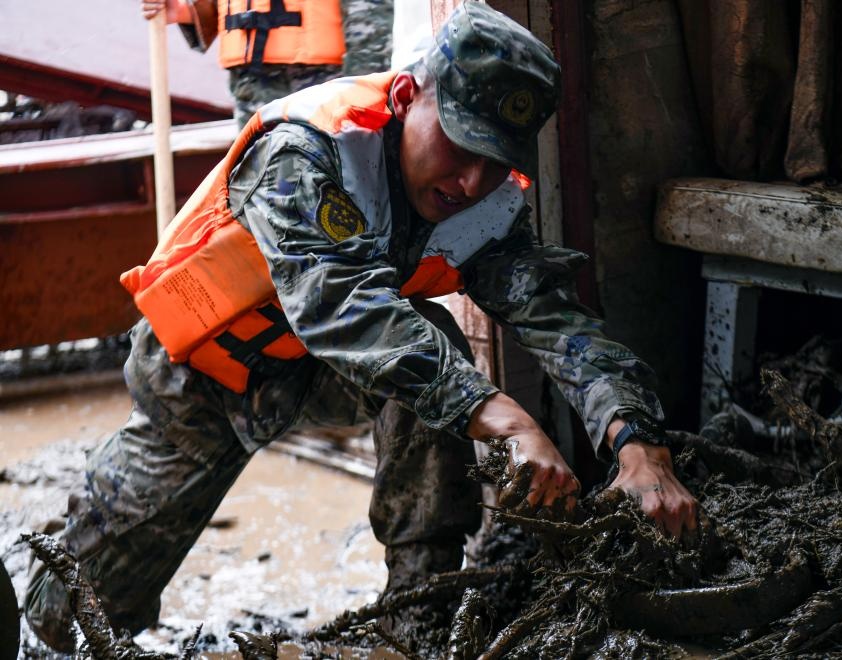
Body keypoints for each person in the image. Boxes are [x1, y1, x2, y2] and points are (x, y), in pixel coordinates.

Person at [26, 2, 698, 651]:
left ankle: (420, 609)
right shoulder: (304, 150)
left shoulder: (483, 203)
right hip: (204, 381)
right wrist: (511, 420)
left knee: (436, 340)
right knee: (70, 617)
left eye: (495, 159)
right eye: (461, 141)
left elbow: (558, 321)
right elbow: (342, 307)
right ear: (407, 93)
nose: (470, 181)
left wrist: (637, 442)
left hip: (328, 378)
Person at [142, 0, 394, 127]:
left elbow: (370, 14)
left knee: (325, 193)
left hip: (320, 85)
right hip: (250, 85)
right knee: (258, 198)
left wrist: (361, 89)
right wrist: (187, 11)